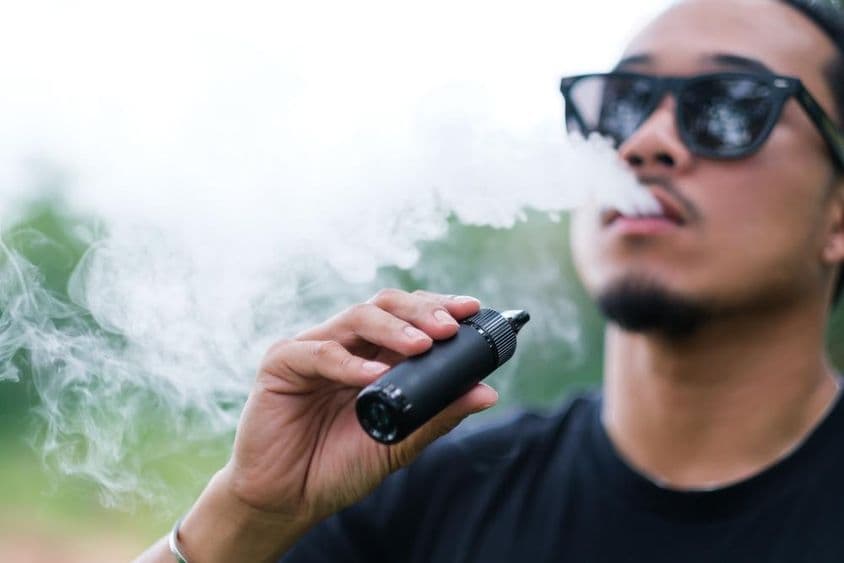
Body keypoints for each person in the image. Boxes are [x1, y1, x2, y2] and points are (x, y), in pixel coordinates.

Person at [136, 0, 844, 561]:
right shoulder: (426, 491)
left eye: (730, 104)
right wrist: (251, 515)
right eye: (622, 102)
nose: (643, 142)